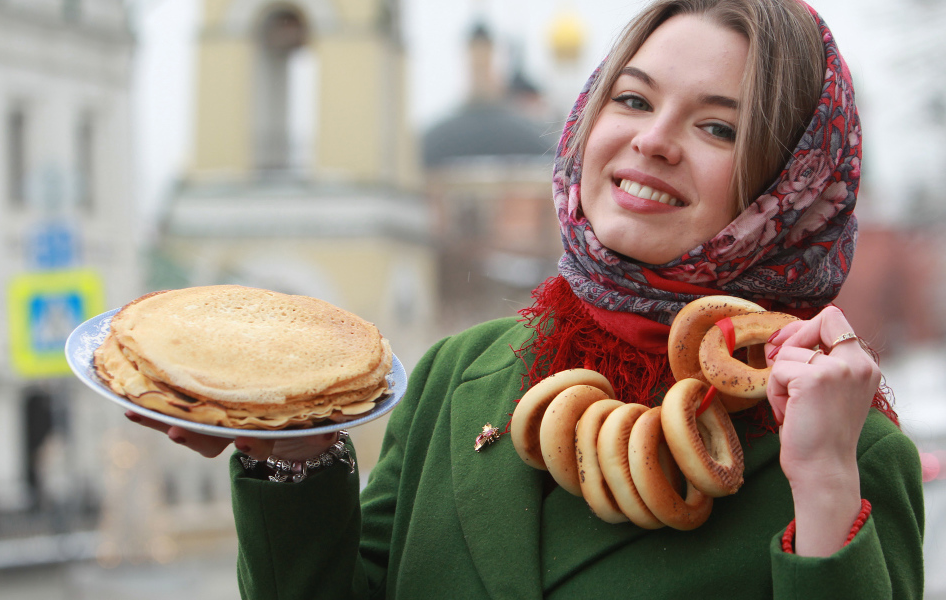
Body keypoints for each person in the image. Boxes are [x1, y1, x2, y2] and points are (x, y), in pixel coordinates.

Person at [126, 0, 925, 597]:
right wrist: (288, 452)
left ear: (792, 186)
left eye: (718, 128)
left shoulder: (839, 445)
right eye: (635, 99)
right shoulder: (458, 375)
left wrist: (821, 481)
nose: (652, 139)